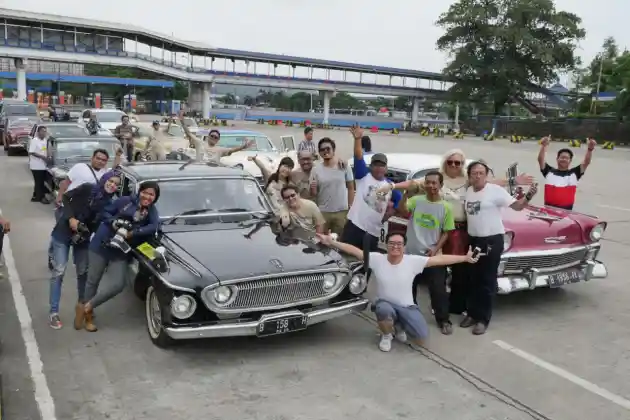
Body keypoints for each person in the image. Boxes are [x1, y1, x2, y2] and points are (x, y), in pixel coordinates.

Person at [378, 149, 533, 316]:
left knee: (462, 270)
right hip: (439, 230)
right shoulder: (437, 178)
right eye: (450, 162)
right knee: (439, 269)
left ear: (462, 165)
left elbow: (490, 183)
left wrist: (513, 181)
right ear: (445, 163)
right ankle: (439, 305)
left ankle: (457, 306)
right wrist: (392, 185)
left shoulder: (468, 180)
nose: (453, 165)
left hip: (463, 230)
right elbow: (413, 184)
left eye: (458, 162)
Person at [316, 231, 480, 351]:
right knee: (383, 308)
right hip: (385, 304)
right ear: (386, 245)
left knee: (421, 339)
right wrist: (332, 242)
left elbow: (439, 259)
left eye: (399, 244)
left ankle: (399, 325)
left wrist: (464, 258)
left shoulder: (412, 261)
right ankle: (386, 334)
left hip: (407, 307)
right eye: (392, 243)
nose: (395, 246)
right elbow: (355, 251)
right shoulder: (377, 259)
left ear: (404, 247)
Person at [461, 161, 538, 335]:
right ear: (470, 175)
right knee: (472, 278)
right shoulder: (469, 191)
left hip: (491, 240)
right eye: (474, 173)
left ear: (487, 175)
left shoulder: (495, 191)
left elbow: (517, 207)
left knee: (487, 280)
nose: (478, 176)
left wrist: (528, 197)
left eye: (481, 173)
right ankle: (472, 313)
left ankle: (483, 318)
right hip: (474, 240)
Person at [78, 181, 161, 332]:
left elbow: (153, 226)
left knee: (118, 284)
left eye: (151, 195)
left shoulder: (151, 211)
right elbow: (105, 212)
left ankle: (87, 306)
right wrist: (114, 222)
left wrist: (133, 233)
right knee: (93, 281)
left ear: (155, 198)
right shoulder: (125, 201)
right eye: (145, 192)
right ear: (139, 191)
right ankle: (87, 316)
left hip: (121, 250)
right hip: (101, 244)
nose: (147, 197)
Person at [48, 172, 121, 330]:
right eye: (111, 181)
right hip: (63, 233)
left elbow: (108, 221)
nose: (112, 185)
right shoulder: (88, 188)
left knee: (83, 273)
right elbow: (66, 198)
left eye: (116, 184)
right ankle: (54, 312)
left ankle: (83, 307)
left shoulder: (111, 203)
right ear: (104, 180)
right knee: (59, 271)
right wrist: (71, 218)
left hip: (83, 238)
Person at [401, 170, 455, 335]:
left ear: (440, 185)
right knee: (409, 288)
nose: (430, 186)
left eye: (434, 183)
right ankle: (410, 316)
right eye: (428, 182)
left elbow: (447, 232)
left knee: (438, 290)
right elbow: (402, 211)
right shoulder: (416, 201)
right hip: (411, 254)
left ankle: (443, 320)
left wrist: (436, 248)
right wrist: (405, 195)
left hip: (432, 257)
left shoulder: (446, 207)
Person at [341, 126, 402, 251]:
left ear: (386, 168)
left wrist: (391, 212)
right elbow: (358, 156)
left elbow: (400, 203)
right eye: (376, 165)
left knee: (367, 264)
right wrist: (357, 139)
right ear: (371, 166)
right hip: (354, 226)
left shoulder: (391, 187)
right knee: (345, 257)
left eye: (382, 165)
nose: (379, 168)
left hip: (373, 232)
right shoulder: (364, 175)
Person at [310, 137, 354, 235]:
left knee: (339, 242)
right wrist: (313, 190)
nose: (325, 151)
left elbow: (351, 188)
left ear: (333, 150)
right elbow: (314, 194)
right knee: (322, 241)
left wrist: (350, 207)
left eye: (328, 148)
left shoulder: (344, 166)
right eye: (322, 150)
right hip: (323, 212)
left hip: (342, 212)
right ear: (319, 153)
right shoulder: (315, 170)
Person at [538, 136, 595, 210]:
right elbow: (540, 159)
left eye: (566, 158)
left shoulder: (575, 173)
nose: (564, 159)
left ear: (570, 161)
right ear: (557, 159)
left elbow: (586, 162)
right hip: (549, 212)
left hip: (566, 214)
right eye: (562, 157)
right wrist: (543, 146)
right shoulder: (549, 171)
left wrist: (590, 149)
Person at [179, 112, 253, 163]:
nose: (213, 138)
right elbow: (188, 133)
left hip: (212, 173)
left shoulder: (220, 149)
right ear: (208, 136)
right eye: (212, 136)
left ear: (218, 140)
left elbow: (232, 150)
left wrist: (243, 146)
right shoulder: (199, 142)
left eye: (216, 137)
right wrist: (182, 122)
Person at [28, 125, 50, 204]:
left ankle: (35, 196)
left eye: (45, 131)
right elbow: (31, 152)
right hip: (36, 166)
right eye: (42, 131)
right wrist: (42, 157)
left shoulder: (45, 140)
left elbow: (46, 150)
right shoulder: (35, 140)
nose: (44, 133)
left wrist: (48, 156)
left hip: (43, 165)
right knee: (39, 182)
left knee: (40, 182)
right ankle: (41, 197)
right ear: (38, 132)